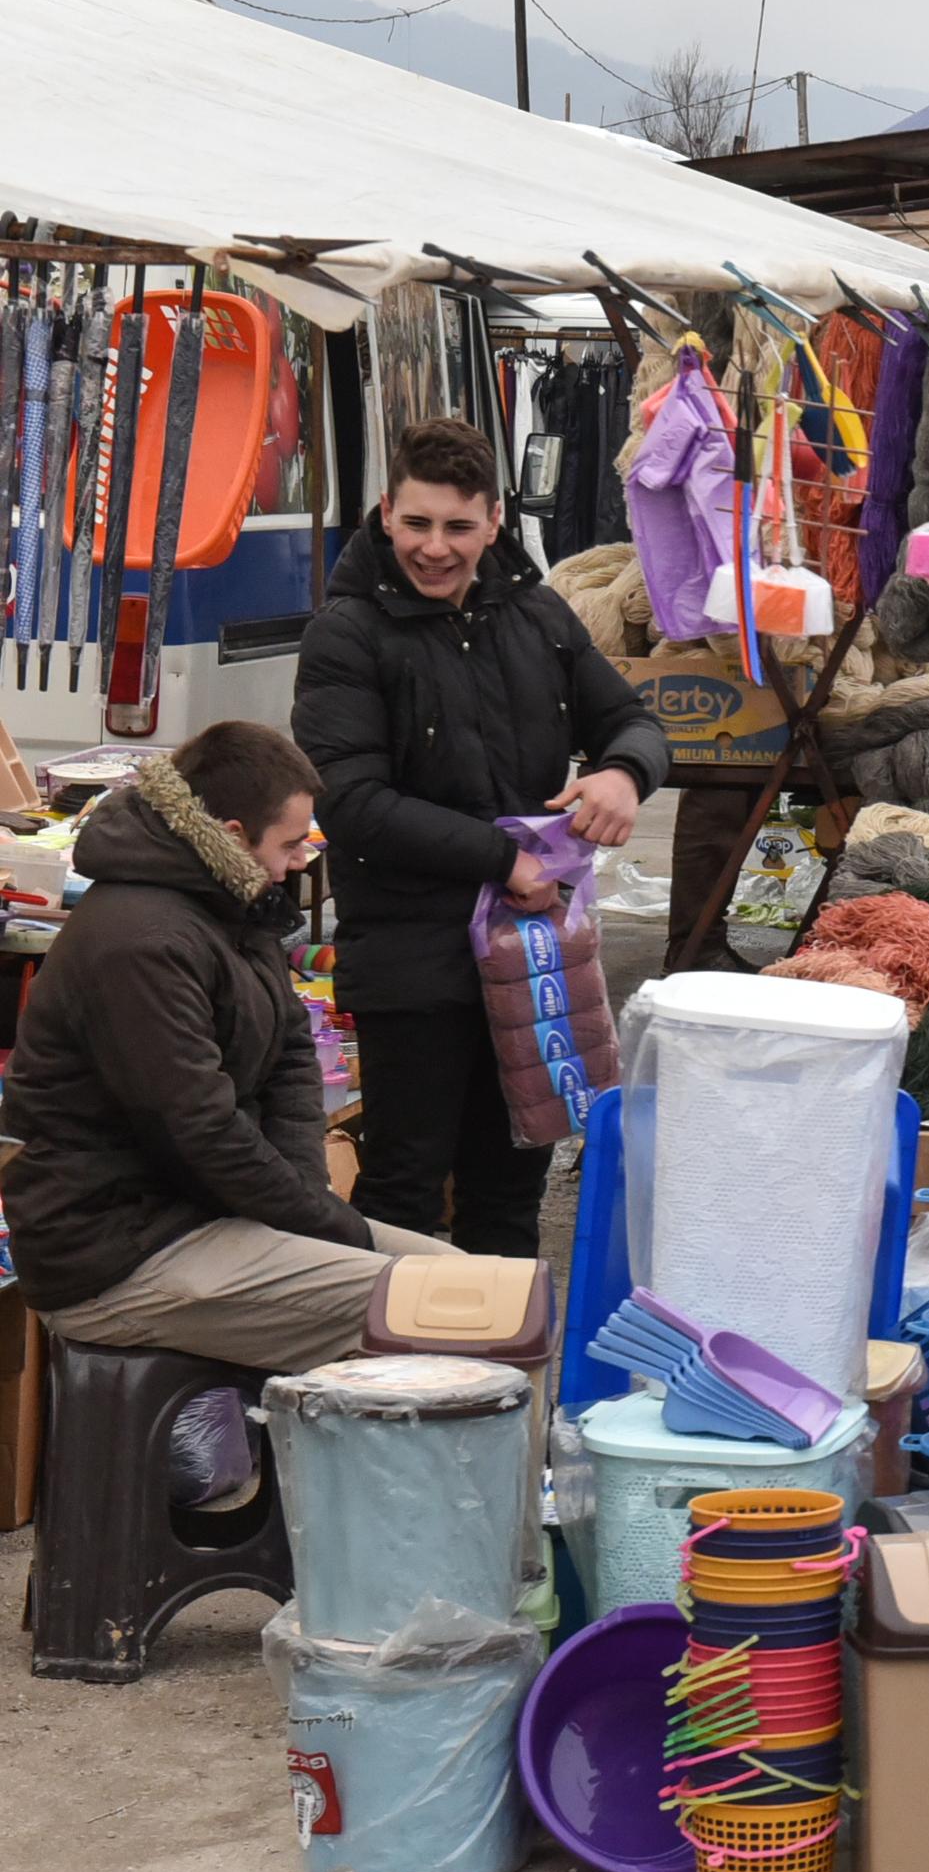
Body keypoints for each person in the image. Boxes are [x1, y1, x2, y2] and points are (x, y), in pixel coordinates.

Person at [295, 416, 666, 1258]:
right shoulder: (345, 635)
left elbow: (633, 720)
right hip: (412, 966)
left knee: (510, 1190)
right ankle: (393, 1387)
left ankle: (504, 1382)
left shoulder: (539, 615)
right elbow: (350, 803)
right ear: (386, 513)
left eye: (458, 527)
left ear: (495, 520)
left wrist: (624, 773)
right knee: (402, 1192)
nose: (435, 548)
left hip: (535, 960)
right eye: (417, 524)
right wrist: (506, 860)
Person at [6, 723, 462, 1380]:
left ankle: (489, 1479)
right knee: (448, 1312)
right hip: (119, 1253)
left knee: (481, 1291)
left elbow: (291, 1057)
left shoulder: (228, 902)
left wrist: (308, 1205)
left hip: (204, 1215)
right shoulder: (141, 942)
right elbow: (198, 1130)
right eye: (291, 842)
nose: (304, 858)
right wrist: (329, 1228)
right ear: (230, 836)